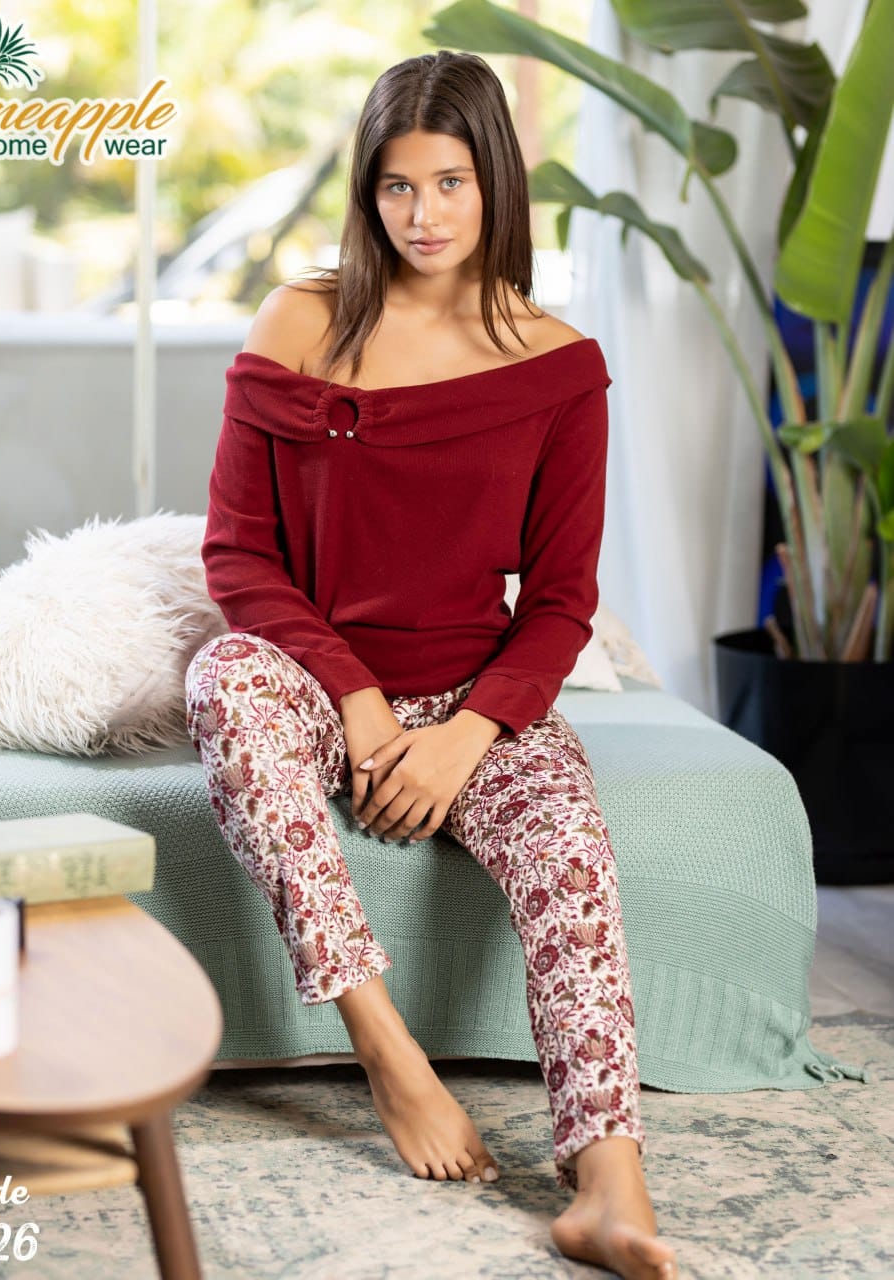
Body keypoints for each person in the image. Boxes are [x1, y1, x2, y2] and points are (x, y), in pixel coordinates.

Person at [185, 49, 678, 1280]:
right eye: (397, 186)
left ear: (495, 180)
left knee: (571, 849)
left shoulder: (558, 363)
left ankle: (610, 1182)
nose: (424, 214)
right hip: (316, 680)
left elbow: (560, 601)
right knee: (224, 681)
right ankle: (387, 1049)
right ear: (368, 191)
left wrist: (469, 734)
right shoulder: (299, 321)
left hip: (476, 702)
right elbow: (239, 554)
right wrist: (355, 699)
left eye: (450, 182)